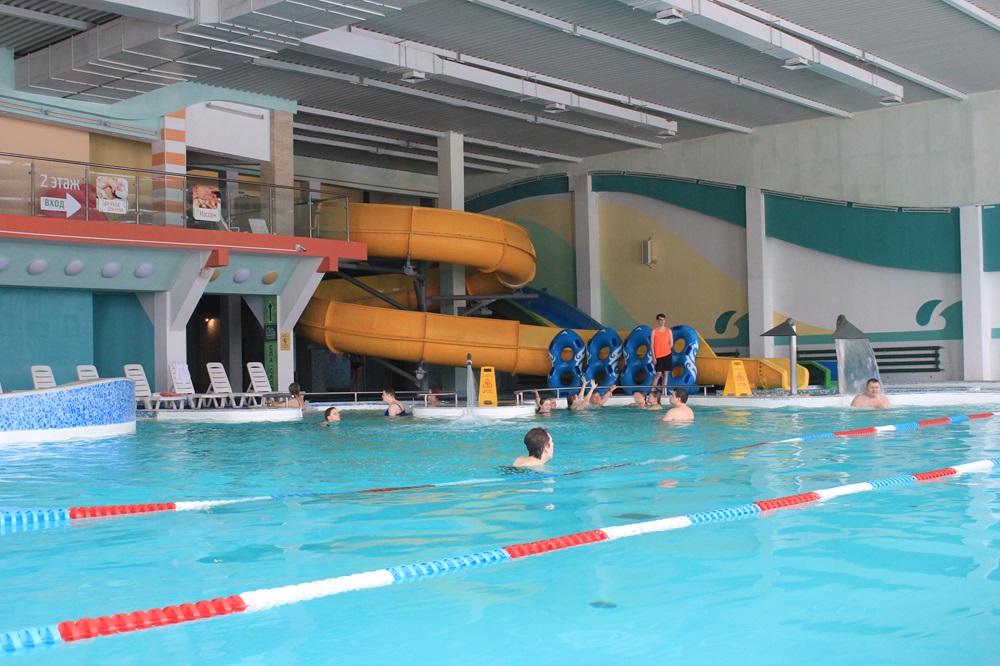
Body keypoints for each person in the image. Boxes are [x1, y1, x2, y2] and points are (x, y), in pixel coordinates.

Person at [650, 313, 674, 390]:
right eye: (660, 320)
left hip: (667, 355)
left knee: (666, 373)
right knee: (658, 373)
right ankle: (652, 391)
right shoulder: (654, 331)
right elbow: (652, 345)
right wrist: (654, 357)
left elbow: (671, 343)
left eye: (663, 320)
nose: (662, 321)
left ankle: (664, 392)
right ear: (657, 321)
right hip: (658, 356)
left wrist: (665, 349)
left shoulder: (669, 331)